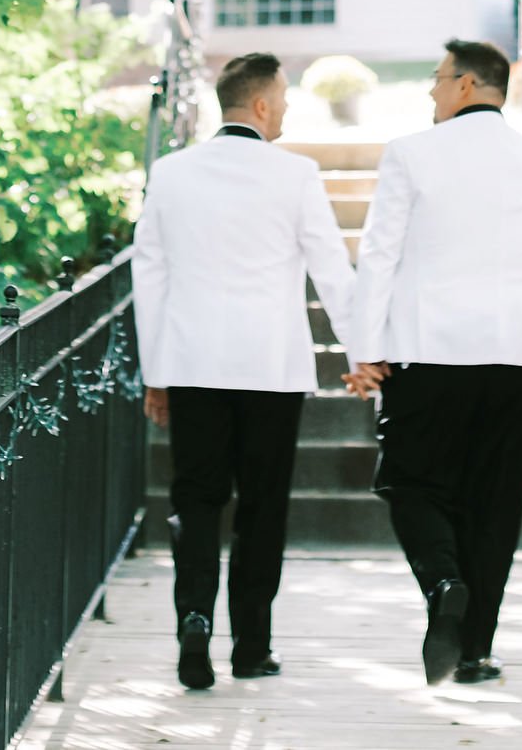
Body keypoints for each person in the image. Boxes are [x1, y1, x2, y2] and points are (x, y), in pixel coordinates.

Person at [347, 38, 522, 687]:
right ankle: (474, 651)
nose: (430, 90)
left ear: (465, 85)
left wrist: (365, 350)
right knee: (497, 500)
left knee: (409, 482)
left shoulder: (410, 155)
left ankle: (444, 582)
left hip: (433, 349)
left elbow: (379, 256)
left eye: (436, 78)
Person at [131, 51, 356, 692]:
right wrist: (362, 350)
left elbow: (150, 273)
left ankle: (194, 620)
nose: (286, 107)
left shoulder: (171, 173)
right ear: (259, 104)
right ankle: (252, 648)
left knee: (195, 501)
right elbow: (331, 271)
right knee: (263, 507)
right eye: (282, 97)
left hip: (194, 366)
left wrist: (156, 371)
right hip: (271, 370)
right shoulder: (296, 175)